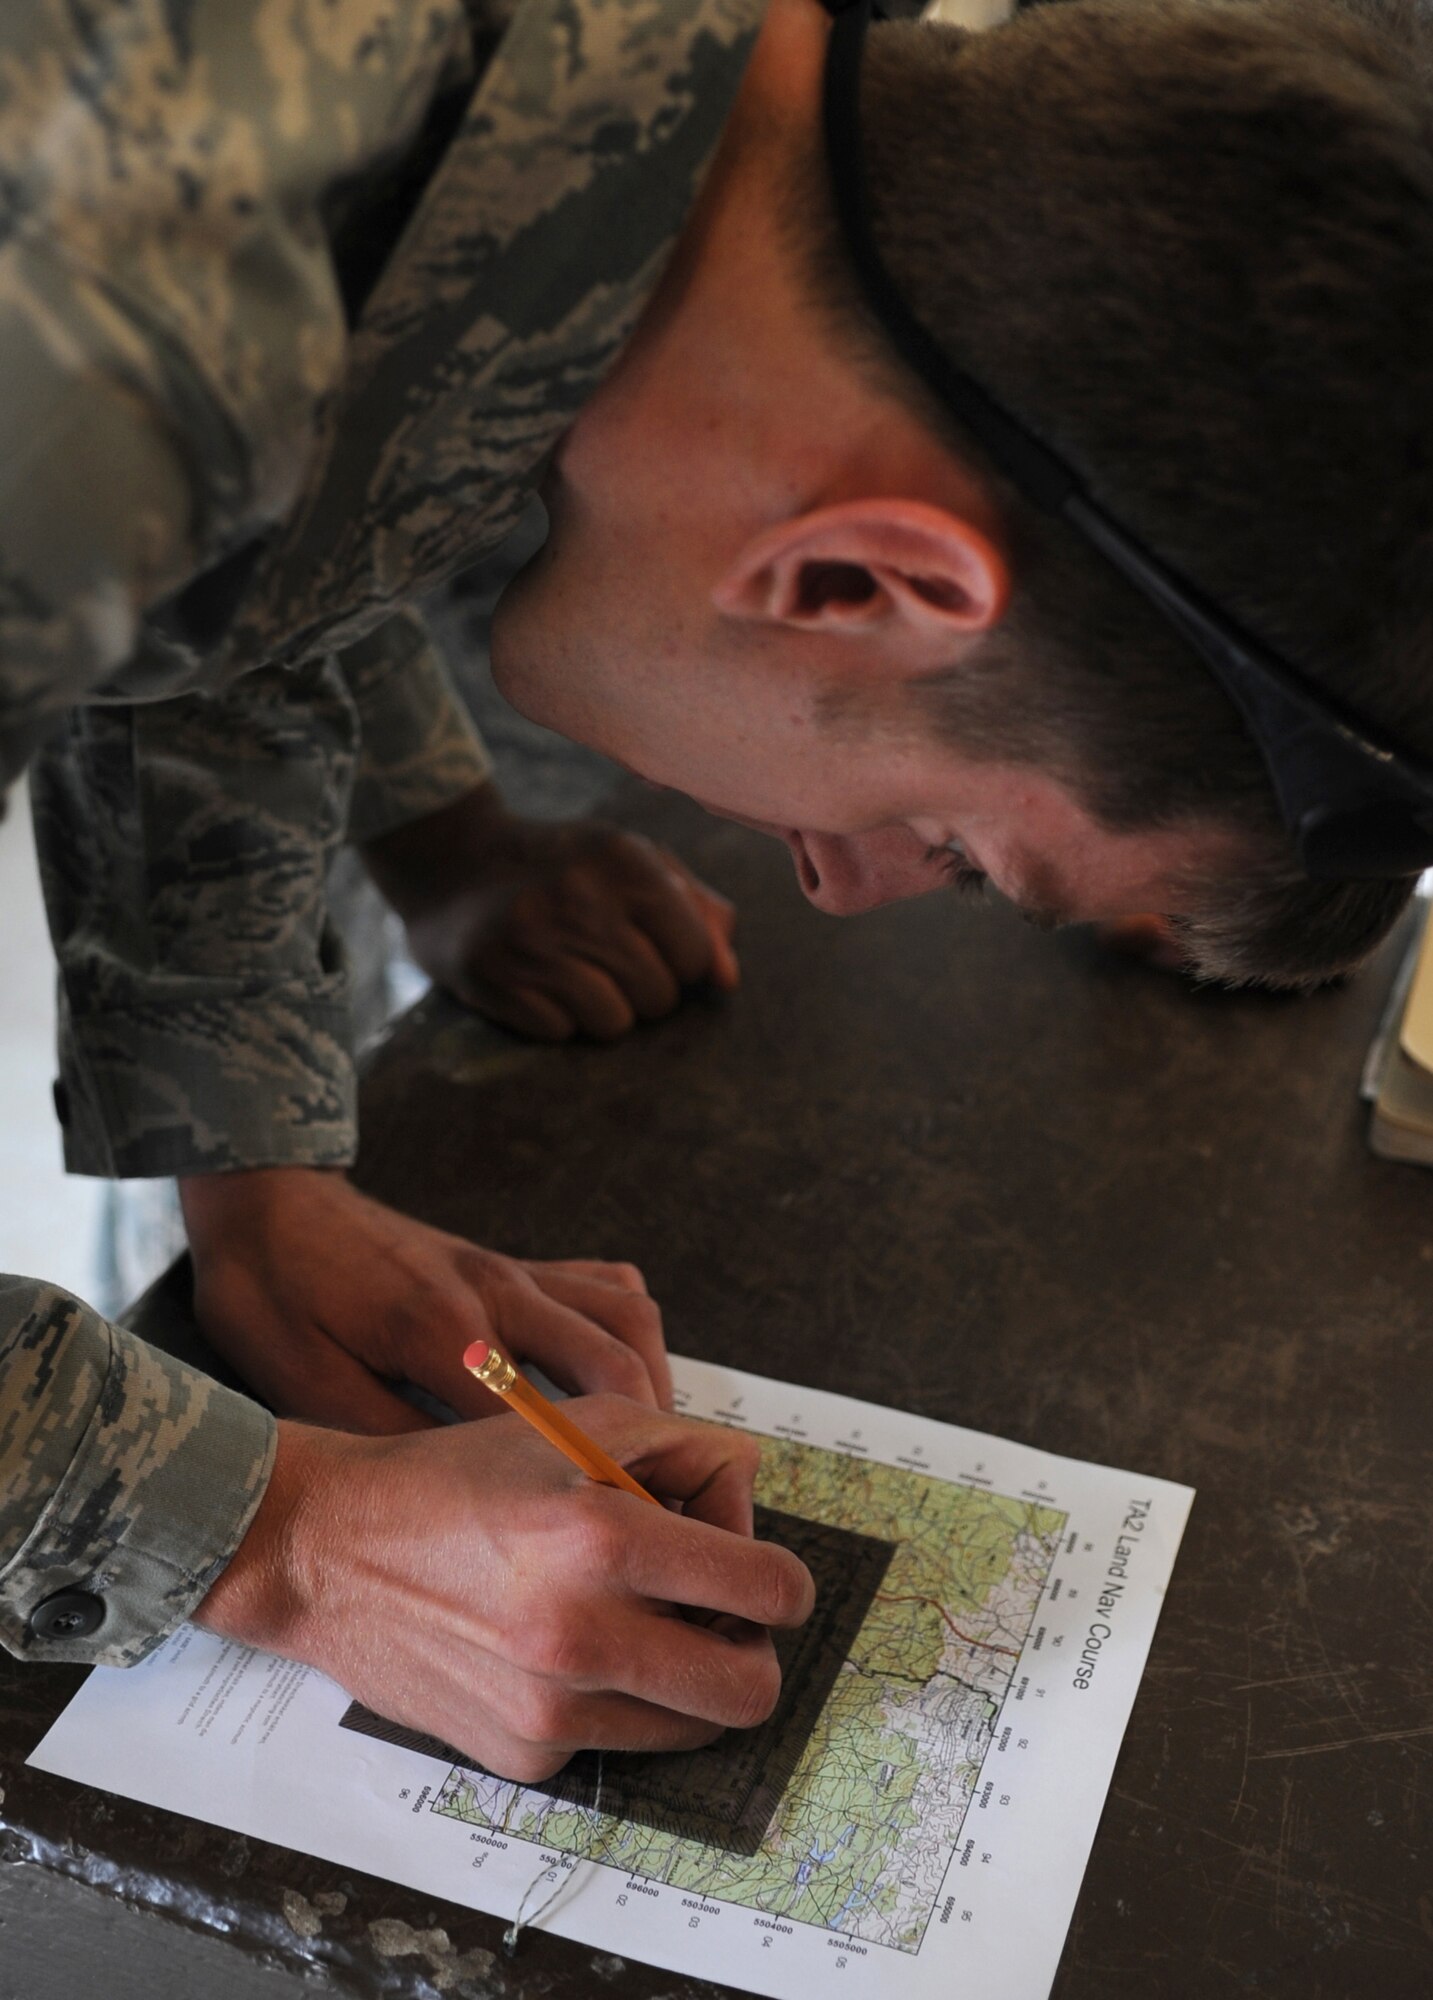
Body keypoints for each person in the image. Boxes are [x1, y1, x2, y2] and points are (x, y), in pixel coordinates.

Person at [2, 0, 1429, 1781]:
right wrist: (270, 1537)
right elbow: (164, 437)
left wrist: (250, 1166)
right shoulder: (86, 319)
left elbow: (274, 522)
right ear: (853, 581)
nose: (836, 886)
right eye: (957, 849)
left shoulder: (713, 145)